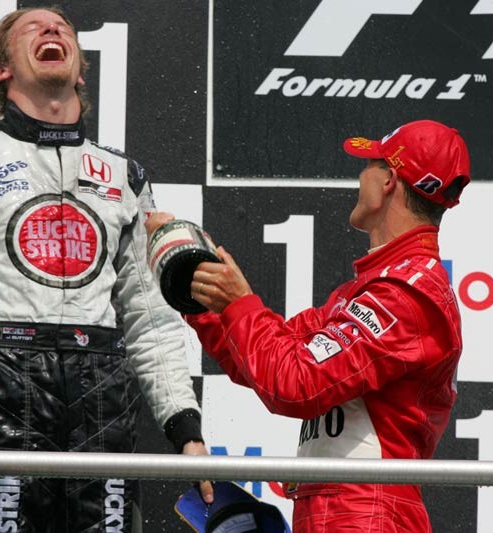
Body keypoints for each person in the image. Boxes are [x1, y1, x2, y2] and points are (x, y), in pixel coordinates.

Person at [0, 7, 211, 532]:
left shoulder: (125, 176)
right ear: (1, 69)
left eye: (63, 28)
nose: (53, 30)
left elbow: (150, 320)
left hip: (103, 396)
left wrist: (186, 431)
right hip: (1, 384)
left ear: (81, 70)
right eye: (32, 28)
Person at [148, 119, 470, 532]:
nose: (360, 175)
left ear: (388, 180)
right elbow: (264, 360)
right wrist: (203, 292)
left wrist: (239, 302)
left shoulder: (409, 295)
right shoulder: (369, 291)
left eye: (368, 164)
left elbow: (295, 384)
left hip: (367, 514)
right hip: (339, 508)